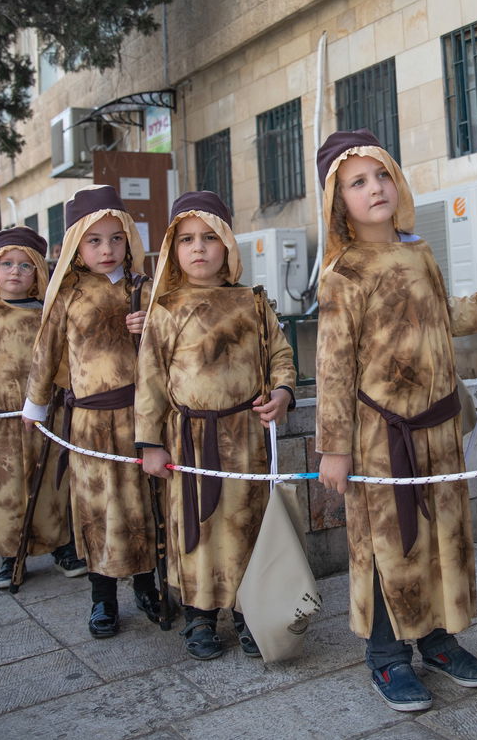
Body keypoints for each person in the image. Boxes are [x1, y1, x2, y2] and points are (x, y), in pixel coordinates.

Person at [314, 129, 477, 712]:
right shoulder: (343, 274)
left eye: (382, 175)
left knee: (439, 541)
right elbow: (333, 368)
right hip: (383, 438)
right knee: (392, 544)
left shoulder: (420, 253)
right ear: (338, 201)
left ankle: (436, 639)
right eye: (358, 182)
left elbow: (444, 315)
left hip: (439, 430)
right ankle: (386, 660)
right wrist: (334, 449)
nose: (375, 188)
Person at [135, 191, 298, 660]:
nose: (199, 248)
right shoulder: (164, 308)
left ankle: (250, 613)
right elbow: (148, 381)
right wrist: (151, 444)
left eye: (210, 237)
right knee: (196, 530)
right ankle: (200, 616)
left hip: (245, 437)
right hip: (189, 441)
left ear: (228, 244)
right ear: (173, 248)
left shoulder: (252, 302)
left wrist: (283, 393)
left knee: (248, 525)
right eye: (186, 239)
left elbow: (282, 357)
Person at [22, 185, 164, 638]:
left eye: (116, 238)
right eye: (95, 240)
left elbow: (174, 347)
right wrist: (36, 404)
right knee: (97, 509)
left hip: (143, 417)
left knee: (146, 505)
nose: (107, 249)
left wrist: (152, 326)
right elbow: (46, 351)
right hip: (88, 422)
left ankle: (148, 588)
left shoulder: (147, 288)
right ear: (77, 246)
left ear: (129, 240)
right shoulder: (65, 293)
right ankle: (102, 598)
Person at [0, 227, 82, 589]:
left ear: (38, 273)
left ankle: (59, 544)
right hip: (0, 420)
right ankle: (12, 554)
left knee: (51, 484)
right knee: (5, 488)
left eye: (25, 266)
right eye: (7, 264)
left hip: (49, 418)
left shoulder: (49, 314)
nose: (15, 272)